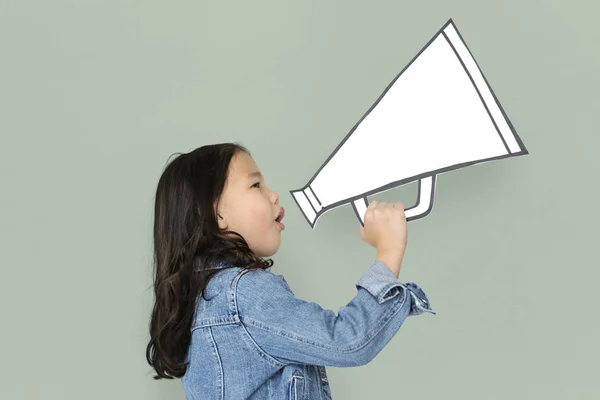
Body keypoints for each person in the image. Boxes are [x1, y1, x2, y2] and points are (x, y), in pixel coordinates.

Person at [146, 142, 435, 399]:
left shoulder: (206, 298)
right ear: (216, 213)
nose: (274, 196)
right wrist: (389, 251)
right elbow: (349, 341)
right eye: (255, 185)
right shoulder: (242, 294)